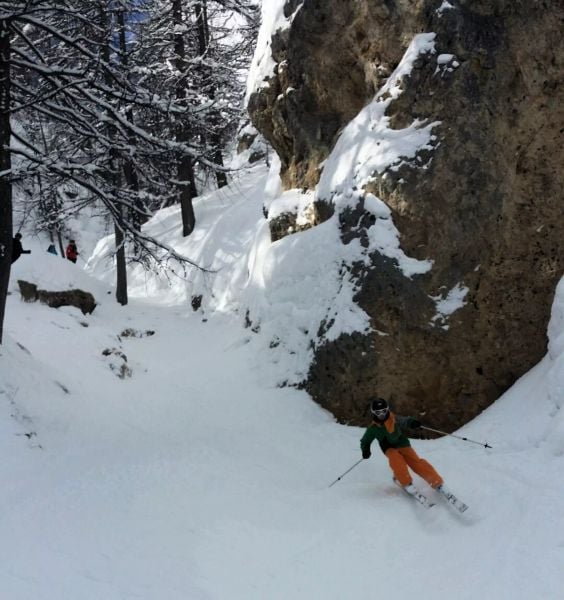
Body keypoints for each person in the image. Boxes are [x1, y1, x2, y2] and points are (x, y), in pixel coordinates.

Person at [360, 397, 444, 493]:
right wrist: (365, 450)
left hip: (401, 442)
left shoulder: (393, 418)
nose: (382, 415)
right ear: (373, 413)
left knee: (415, 462)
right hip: (388, 447)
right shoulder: (373, 428)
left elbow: (405, 421)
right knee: (396, 460)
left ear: (387, 409)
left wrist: (412, 423)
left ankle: (435, 480)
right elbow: (365, 441)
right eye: (378, 413)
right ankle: (406, 482)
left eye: (384, 411)